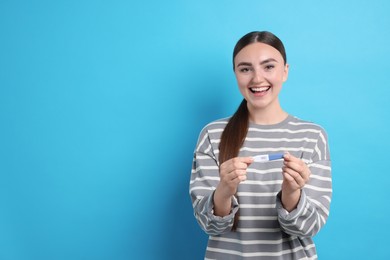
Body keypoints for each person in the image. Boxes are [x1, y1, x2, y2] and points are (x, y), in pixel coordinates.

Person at [189, 31, 332, 259]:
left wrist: (292, 193)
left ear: (285, 71)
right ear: (235, 74)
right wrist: (224, 189)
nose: (257, 79)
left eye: (268, 67)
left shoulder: (312, 136)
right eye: (245, 69)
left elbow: (309, 227)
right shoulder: (212, 135)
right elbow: (209, 226)